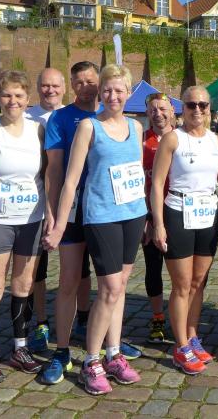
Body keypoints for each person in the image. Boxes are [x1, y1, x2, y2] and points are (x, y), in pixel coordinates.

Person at [43, 64, 145, 395]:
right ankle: (90, 360)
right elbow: (69, 179)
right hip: (99, 214)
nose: (113, 96)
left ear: (128, 93)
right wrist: (58, 224)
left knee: (120, 286)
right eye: (108, 90)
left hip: (133, 213)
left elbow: (136, 173)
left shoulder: (136, 127)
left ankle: (113, 354)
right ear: (101, 93)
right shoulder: (88, 126)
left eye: (119, 90)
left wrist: (146, 216)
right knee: (107, 287)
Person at [0, 71, 45, 385]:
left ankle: (20, 347)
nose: (12, 101)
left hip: (31, 218)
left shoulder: (38, 129)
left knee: (24, 285)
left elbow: (48, 172)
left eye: (18, 95)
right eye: (6, 95)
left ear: (28, 99)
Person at [151, 86, 218, 374]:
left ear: (209, 108)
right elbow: (158, 183)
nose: (197, 110)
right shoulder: (173, 139)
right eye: (191, 104)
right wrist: (159, 224)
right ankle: (180, 345)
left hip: (208, 214)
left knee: (198, 282)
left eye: (202, 105)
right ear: (182, 107)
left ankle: (193, 337)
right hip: (178, 212)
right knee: (181, 285)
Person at [39, 61, 103, 385]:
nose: (85, 87)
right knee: (68, 279)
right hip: (73, 208)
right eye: (78, 82)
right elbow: (53, 169)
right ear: (71, 86)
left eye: (90, 81)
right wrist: (52, 213)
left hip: (105, 208)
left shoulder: (110, 114)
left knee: (107, 282)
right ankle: (62, 350)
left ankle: (107, 344)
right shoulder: (60, 118)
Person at [24, 68, 69, 353]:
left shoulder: (72, 115)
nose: (50, 90)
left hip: (71, 200)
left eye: (55, 85)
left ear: (64, 88)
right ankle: (40, 321)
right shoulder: (26, 116)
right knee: (36, 266)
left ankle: (80, 317)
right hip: (35, 201)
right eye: (44, 85)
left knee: (75, 265)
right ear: (37, 87)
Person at [142, 92, 176, 343]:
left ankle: (181, 318)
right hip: (151, 215)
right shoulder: (141, 141)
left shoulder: (183, 138)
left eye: (163, 109)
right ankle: (157, 317)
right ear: (147, 113)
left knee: (182, 273)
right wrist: (145, 217)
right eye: (153, 109)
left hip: (179, 214)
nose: (158, 114)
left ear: (172, 111)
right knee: (153, 269)